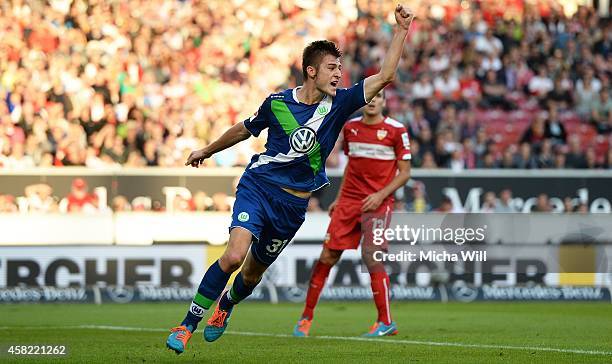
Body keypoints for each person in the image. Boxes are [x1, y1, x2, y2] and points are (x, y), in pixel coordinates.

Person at [166, 5, 415, 354]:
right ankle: (187, 324)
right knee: (235, 256)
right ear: (311, 71)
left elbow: (385, 75)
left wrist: (402, 30)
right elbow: (243, 129)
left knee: (251, 275)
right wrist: (206, 150)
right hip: (259, 186)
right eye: (332, 68)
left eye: (340, 68)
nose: (338, 74)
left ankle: (226, 307)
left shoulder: (340, 104)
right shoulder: (278, 103)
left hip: (293, 205)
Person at [293, 90, 411, 338]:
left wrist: (380, 195)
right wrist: (339, 198)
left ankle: (385, 321)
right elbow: (352, 168)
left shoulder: (396, 130)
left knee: (371, 256)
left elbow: (405, 173)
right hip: (349, 202)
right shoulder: (351, 128)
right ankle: (306, 318)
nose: (372, 101)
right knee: (327, 256)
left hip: (378, 203)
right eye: (369, 97)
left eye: (378, 97)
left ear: (384, 101)